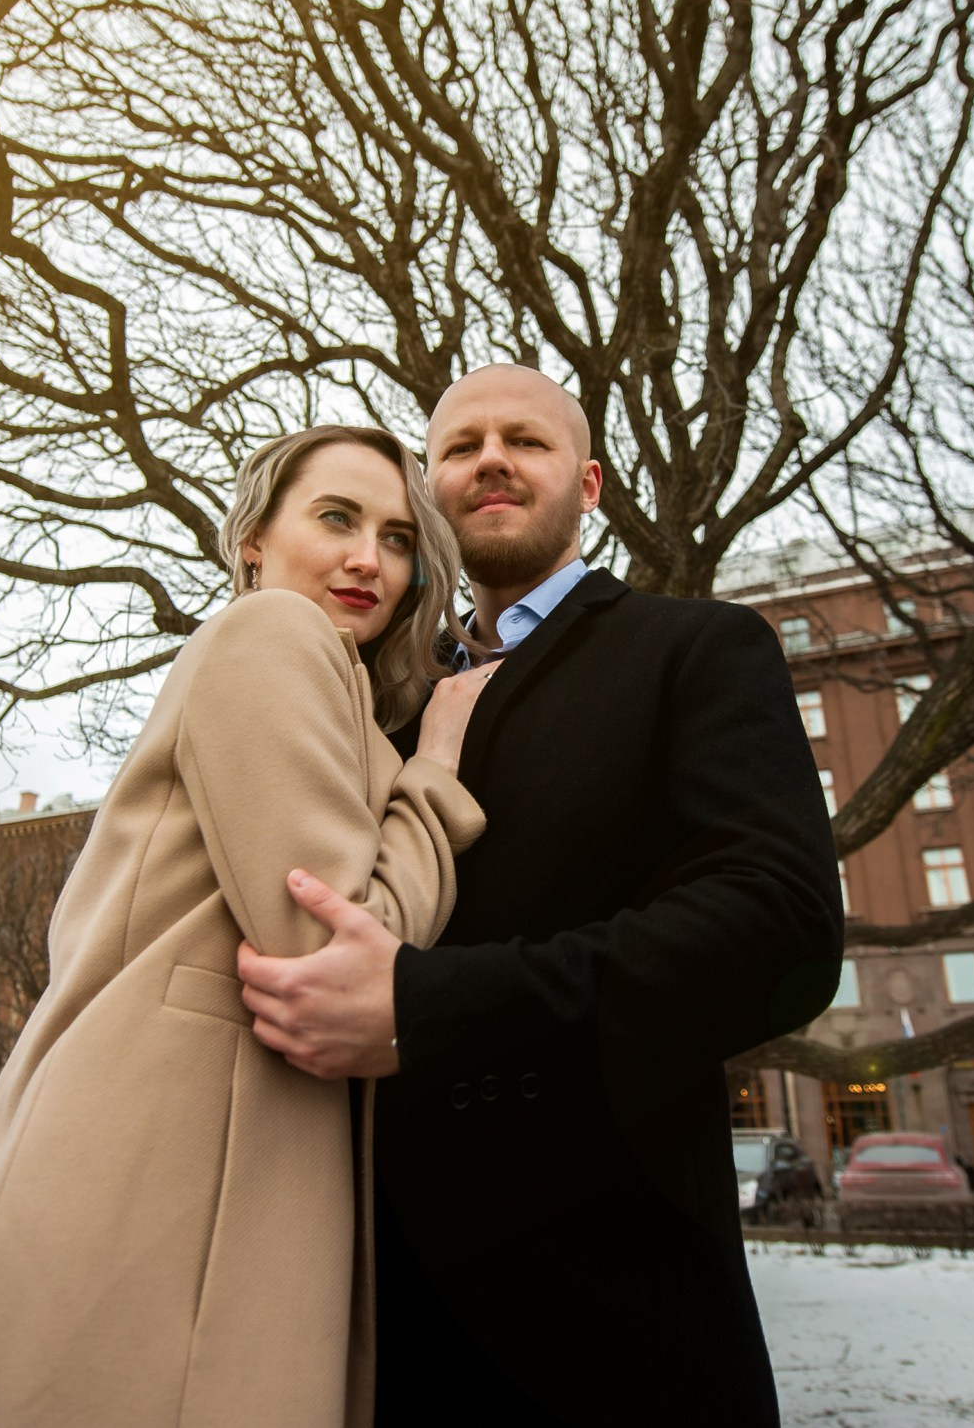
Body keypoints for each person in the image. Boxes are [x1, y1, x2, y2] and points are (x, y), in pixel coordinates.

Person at [238, 364, 846, 1426]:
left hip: (608, 1338)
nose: (490, 460)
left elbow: (780, 929)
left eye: (525, 439)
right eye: (460, 445)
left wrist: (429, 1005)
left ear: (591, 483)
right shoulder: (378, 698)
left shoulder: (696, 648)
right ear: (429, 491)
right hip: (369, 1340)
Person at [0, 425, 497, 1428]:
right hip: (161, 1188)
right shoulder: (274, 631)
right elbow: (340, 947)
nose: (370, 556)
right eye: (336, 518)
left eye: (400, 538)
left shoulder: (333, 692)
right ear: (254, 544)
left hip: (165, 1170)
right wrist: (438, 771)